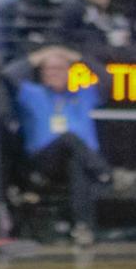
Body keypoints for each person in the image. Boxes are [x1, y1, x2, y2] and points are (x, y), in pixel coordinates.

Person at [7, 44, 115, 246]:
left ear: (69, 72)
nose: (53, 73)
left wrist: (78, 57)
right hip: (44, 162)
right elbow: (10, 75)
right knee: (69, 138)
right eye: (49, 69)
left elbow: (107, 79)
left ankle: (83, 228)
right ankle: (104, 173)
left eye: (59, 69)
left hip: (79, 161)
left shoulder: (83, 95)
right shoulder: (33, 94)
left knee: (77, 163)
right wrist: (37, 57)